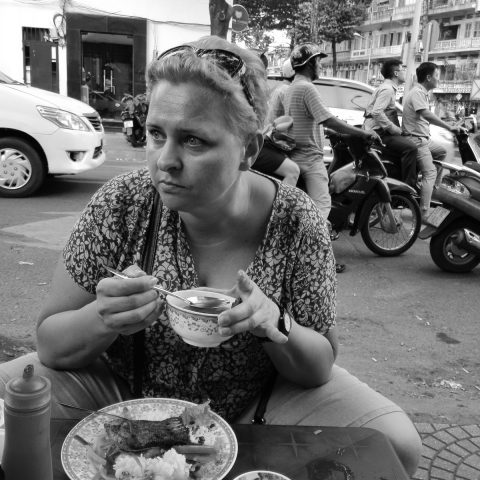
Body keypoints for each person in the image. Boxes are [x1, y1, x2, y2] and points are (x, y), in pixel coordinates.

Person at [0, 36, 421, 475]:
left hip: (257, 402)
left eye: (194, 141)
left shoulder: (297, 221)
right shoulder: (120, 205)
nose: (165, 161)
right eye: (156, 134)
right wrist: (103, 319)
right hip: (126, 396)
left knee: (398, 444)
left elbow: (318, 367)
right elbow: (49, 343)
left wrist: (274, 325)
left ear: (250, 150)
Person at [268, 43, 382, 221]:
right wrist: (362, 133)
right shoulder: (307, 88)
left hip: (296, 153)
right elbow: (328, 119)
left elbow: (309, 119)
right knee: (322, 204)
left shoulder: (292, 88)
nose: (320, 66)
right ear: (309, 64)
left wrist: (328, 130)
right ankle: (313, 243)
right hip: (310, 158)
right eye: (318, 62)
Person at [402, 61, 466, 221]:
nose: (439, 79)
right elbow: (426, 115)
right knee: (430, 172)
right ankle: (424, 212)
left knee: (441, 152)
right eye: (437, 76)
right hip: (416, 140)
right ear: (429, 77)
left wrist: (452, 124)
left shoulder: (422, 93)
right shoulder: (417, 92)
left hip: (423, 139)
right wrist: (449, 127)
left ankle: (430, 189)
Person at [363, 59, 418, 188]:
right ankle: (408, 188)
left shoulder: (387, 88)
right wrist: (394, 129)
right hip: (379, 133)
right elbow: (377, 112)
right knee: (411, 148)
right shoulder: (388, 89)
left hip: (380, 130)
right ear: (396, 73)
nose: (405, 72)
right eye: (402, 69)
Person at [252, 59, 300, 185]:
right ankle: (282, 204)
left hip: (264, 140)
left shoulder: (276, 89)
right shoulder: (286, 91)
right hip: (263, 143)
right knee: (293, 171)